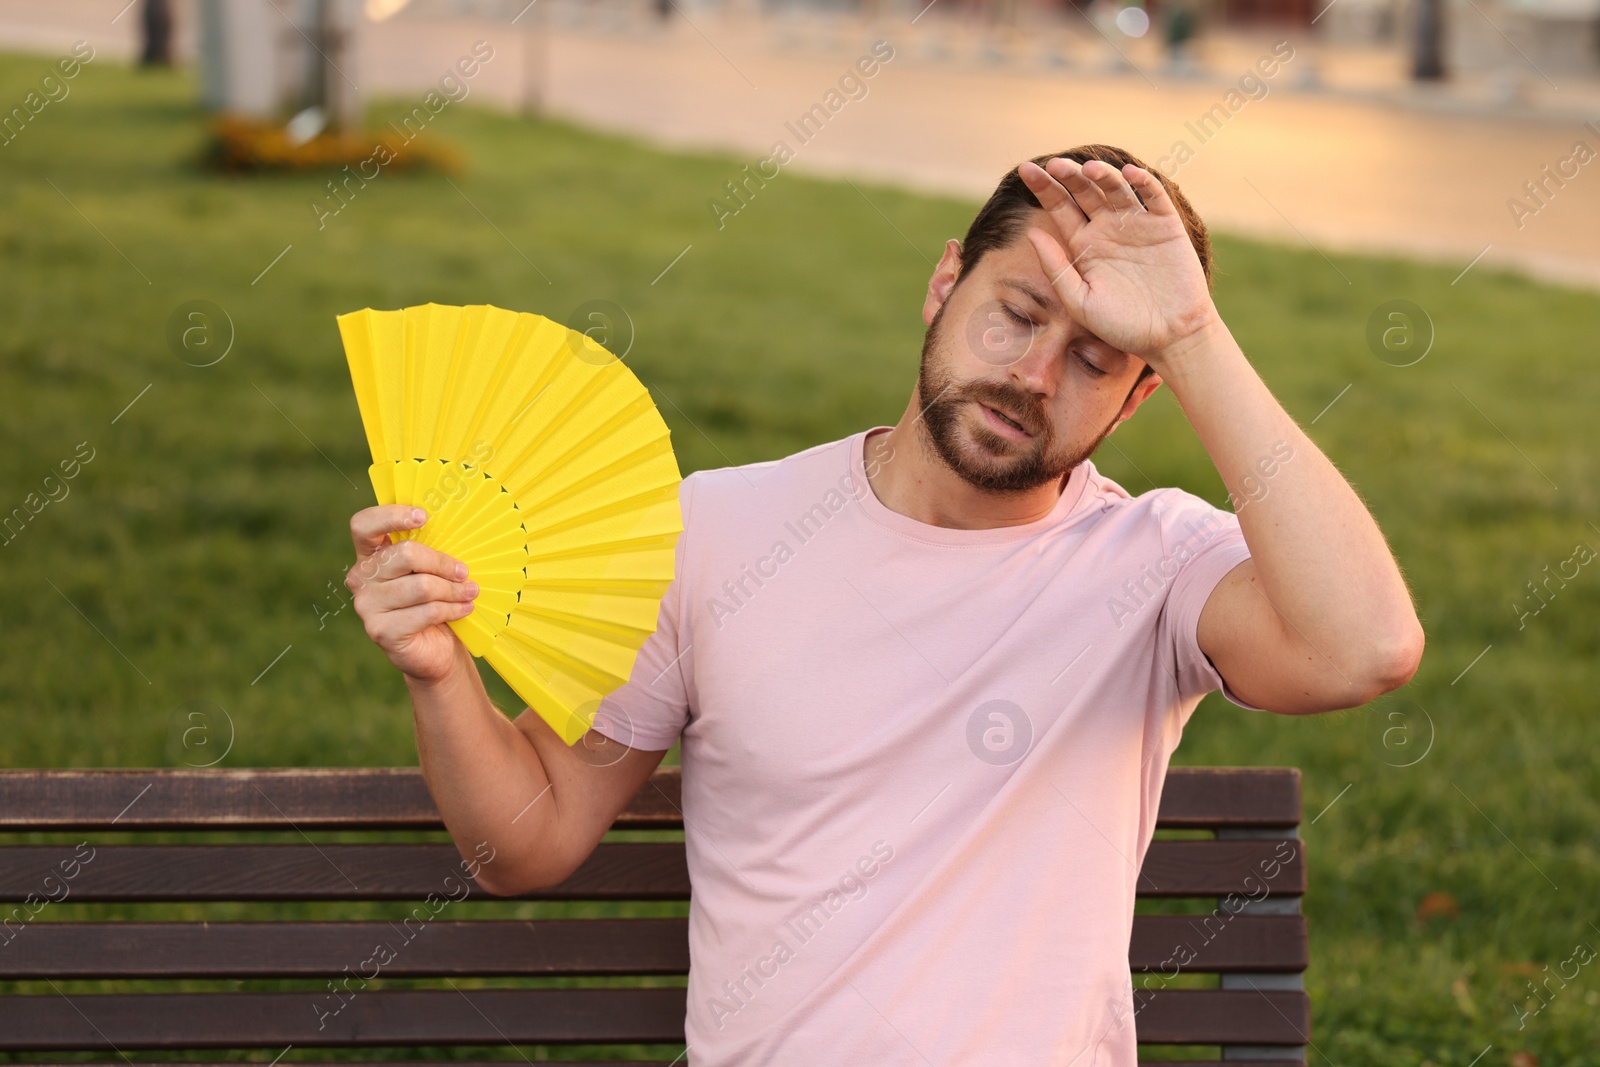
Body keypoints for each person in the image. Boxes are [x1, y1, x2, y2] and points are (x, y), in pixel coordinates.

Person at [345, 143, 1423, 1065]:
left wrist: (1189, 333)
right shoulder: (714, 531)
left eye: (1095, 358)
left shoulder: (1153, 562)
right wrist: (438, 676)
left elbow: (1364, 646)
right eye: (1015, 314)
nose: (1035, 376)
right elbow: (525, 843)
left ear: (1143, 395)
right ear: (944, 282)